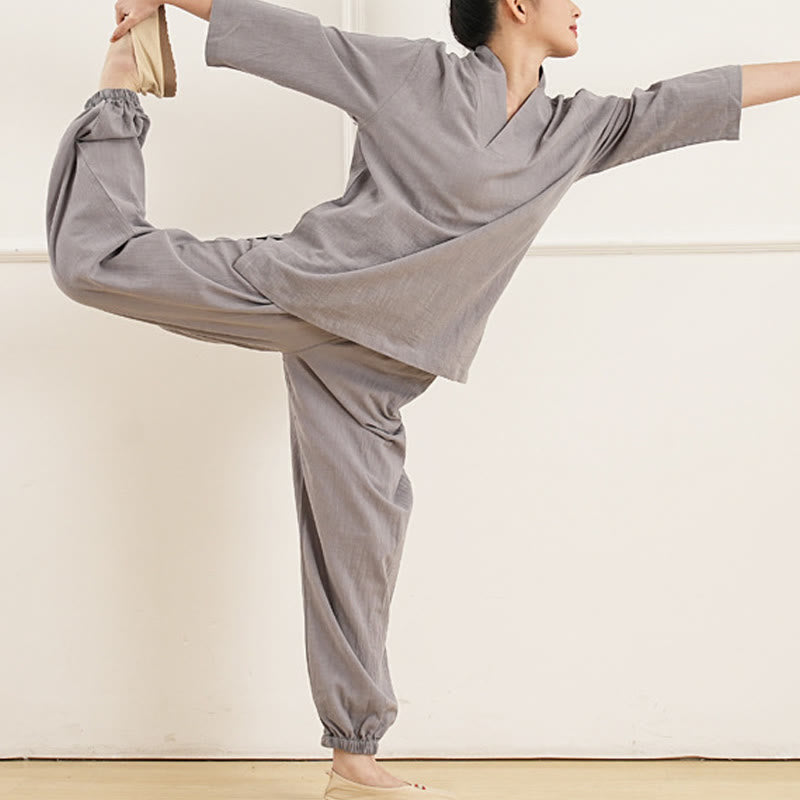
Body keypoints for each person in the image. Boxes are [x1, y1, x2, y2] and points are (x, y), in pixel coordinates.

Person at [44, 0, 796, 796]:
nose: (580, 7)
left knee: (362, 551)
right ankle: (117, 93)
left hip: (378, 372)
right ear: (515, 6)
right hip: (310, 292)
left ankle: (354, 754)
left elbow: (687, 98)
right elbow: (297, 42)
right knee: (91, 261)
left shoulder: (578, 130)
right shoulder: (416, 78)